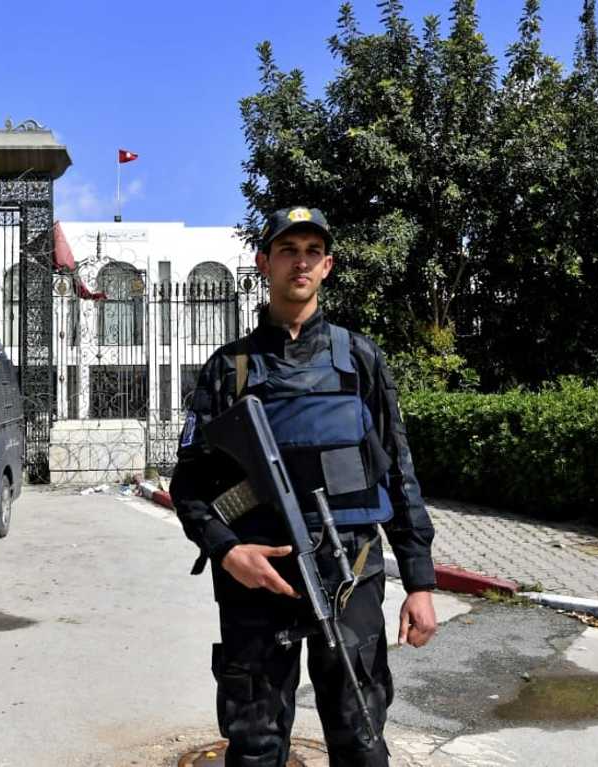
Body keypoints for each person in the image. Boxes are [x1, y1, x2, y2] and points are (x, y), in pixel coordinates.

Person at [170, 206, 437, 767]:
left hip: (351, 568)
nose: (301, 262)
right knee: (256, 742)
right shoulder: (229, 369)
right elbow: (189, 482)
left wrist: (419, 581)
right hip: (260, 577)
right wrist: (228, 550)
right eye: (288, 250)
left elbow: (397, 471)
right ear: (264, 263)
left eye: (312, 251)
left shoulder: (359, 359)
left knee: (360, 735)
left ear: (328, 266)